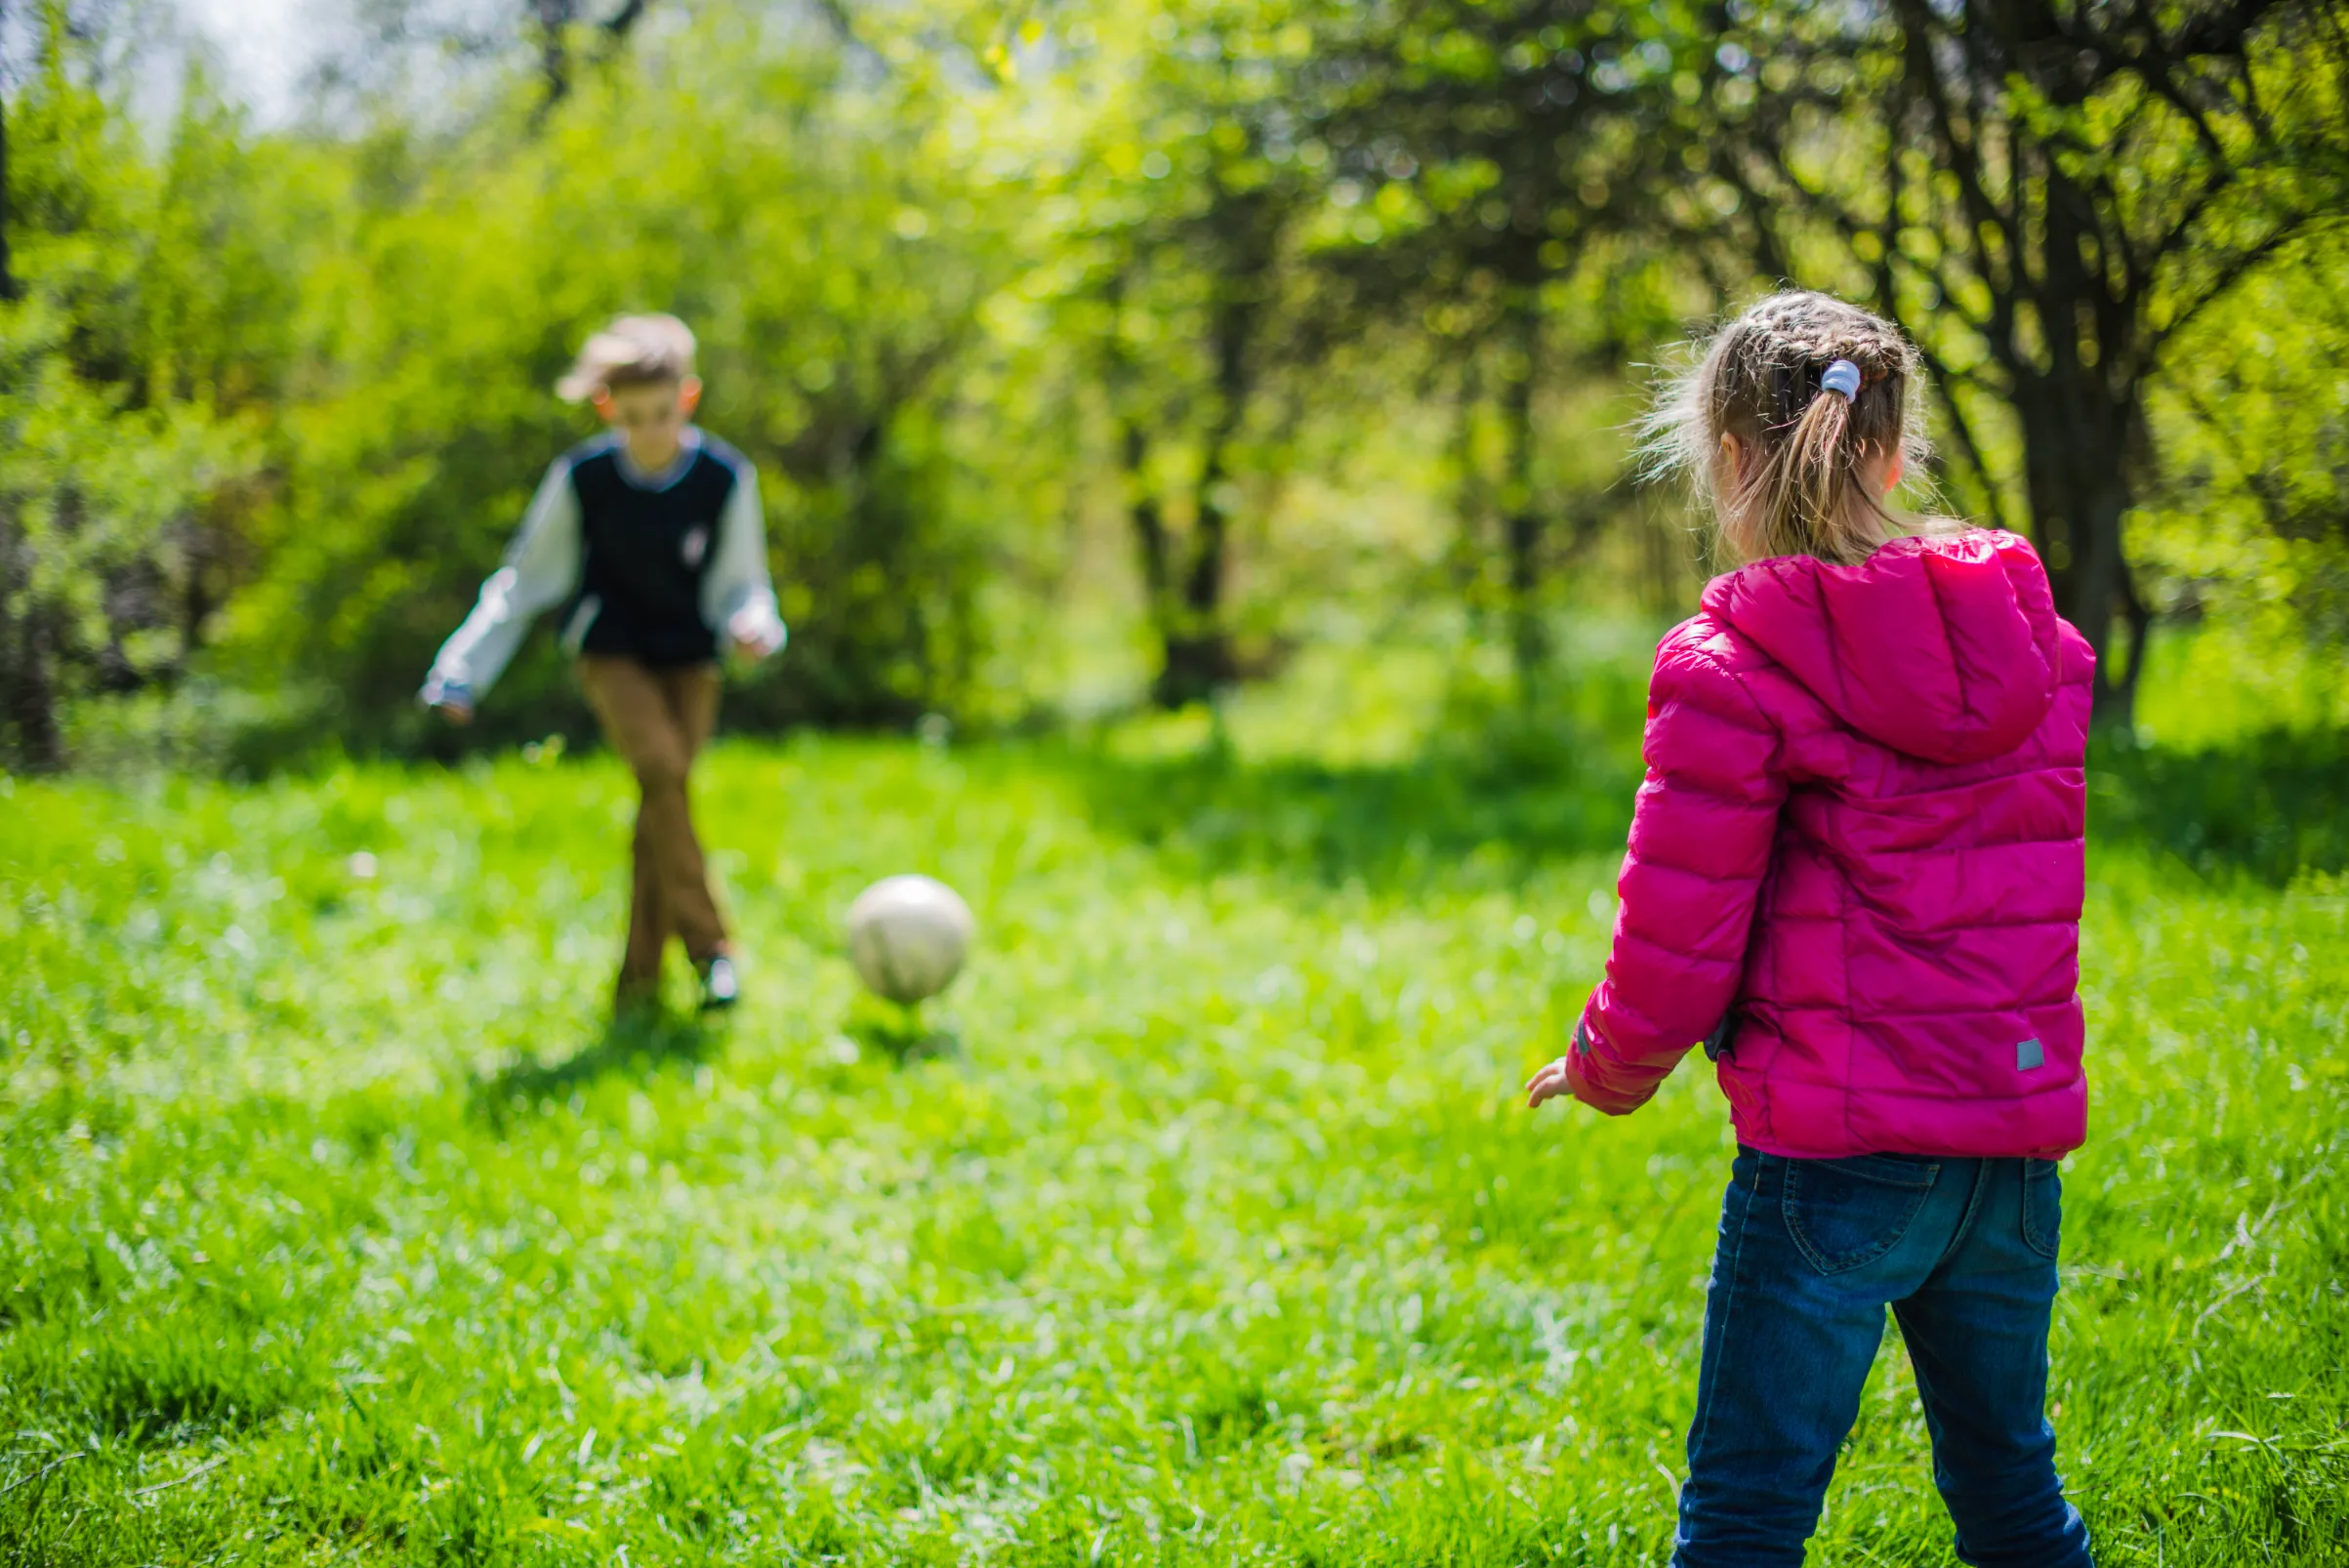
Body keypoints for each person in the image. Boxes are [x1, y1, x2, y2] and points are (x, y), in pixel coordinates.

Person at [1524, 291, 2097, 1567]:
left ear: (1728, 459)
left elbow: (1677, 933)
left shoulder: (1728, 660)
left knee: (1742, 1514)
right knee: (2010, 1491)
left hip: (1836, 1151)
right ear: (1894, 455)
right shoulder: (2036, 648)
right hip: (2005, 1143)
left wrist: (1604, 1067)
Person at [421, 313, 786, 1013]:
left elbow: (745, 582)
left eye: (662, 414)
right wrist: (460, 667)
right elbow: (523, 580)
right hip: (611, 650)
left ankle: (639, 985)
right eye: (634, 418)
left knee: (663, 804)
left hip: (691, 658)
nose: (650, 432)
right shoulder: (583, 479)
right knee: (662, 769)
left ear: (689, 397)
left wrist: (754, 625)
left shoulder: (725, 477)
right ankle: (714, 951)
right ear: (607, 410)